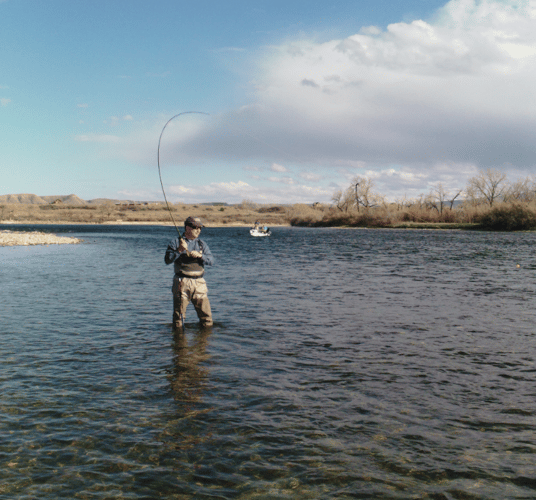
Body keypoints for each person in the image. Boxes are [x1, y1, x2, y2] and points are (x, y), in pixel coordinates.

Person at [165, 216, 215, 329]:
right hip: (181, 283)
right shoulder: (175, 242)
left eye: (200, 228)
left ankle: (204, 343)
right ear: (187, 228)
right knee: (179, 319)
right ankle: (179, 344)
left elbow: (211, 261)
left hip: (200, 284)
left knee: (207, 318)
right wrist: (179, 250)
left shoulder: (202, 244)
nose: (198, 230)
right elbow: (167, 260)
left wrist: (201, 256)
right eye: (195, 227)